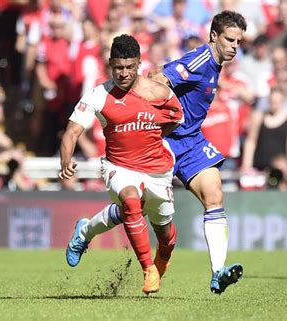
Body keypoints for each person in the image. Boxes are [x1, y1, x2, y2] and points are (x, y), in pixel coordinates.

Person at [66, 10, 247, 295]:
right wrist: (147, 121)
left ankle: (218, 272)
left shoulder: (215, 63)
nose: (235, 46)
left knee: (214, 195)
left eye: (238, 41)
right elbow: (157, 79)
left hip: (192, 141)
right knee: (133, 206)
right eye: (230, 39)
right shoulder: (200, 59)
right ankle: (86, 231)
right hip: (163, 140)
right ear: (214, 36)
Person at [59, 34, 184, 295]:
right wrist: (66, 160)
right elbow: (72, 131)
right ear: (110, 64)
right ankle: (147, 268)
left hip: (157, 171)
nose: (123, 73)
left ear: (138, 63)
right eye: (118, 67)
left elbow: (177, 118)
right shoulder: (99, 95)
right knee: (129, 201)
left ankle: (85, 231)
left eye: (129, 67)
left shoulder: (158, 92)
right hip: (119, 166)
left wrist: (152, 137)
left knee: (166, 237)